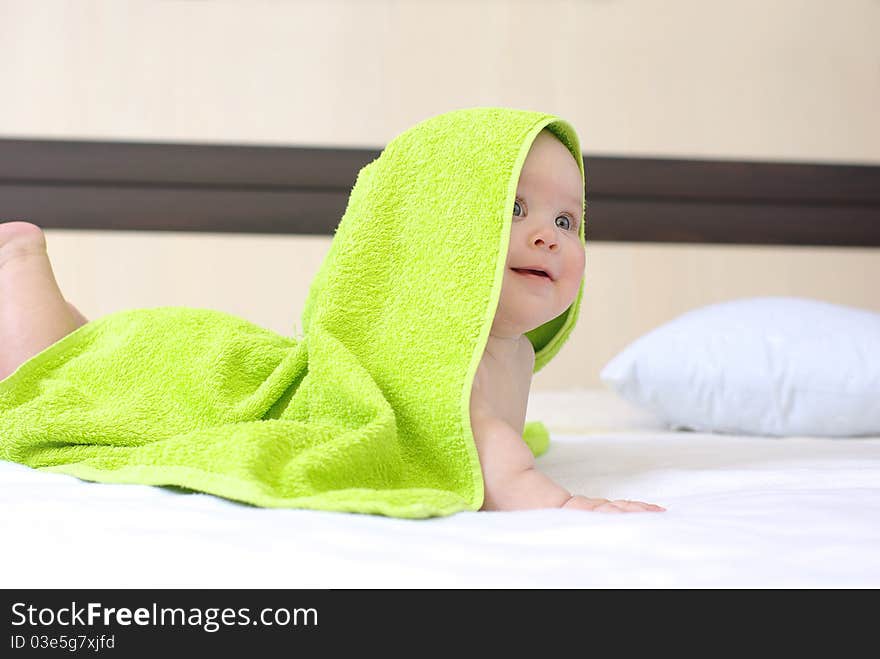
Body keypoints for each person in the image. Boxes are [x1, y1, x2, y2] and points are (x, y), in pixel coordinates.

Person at [469, 129, 665, 513]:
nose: (548, 237)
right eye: (515, 209)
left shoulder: (518, 352)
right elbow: (487, 458)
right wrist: (563, 505)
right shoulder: (446, 350)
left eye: (564, 220)